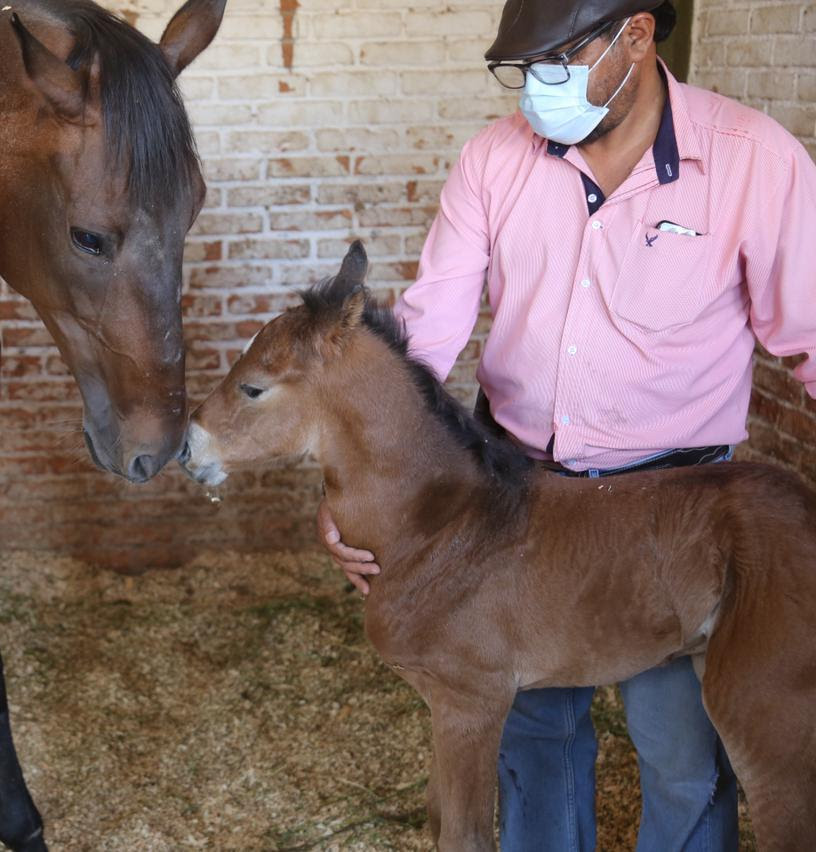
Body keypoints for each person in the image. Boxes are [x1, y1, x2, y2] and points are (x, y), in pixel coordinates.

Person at [317, 1, 816, 848]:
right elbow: (424, 335)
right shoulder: (494, 159)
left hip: (675, 506)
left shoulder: (752, 160)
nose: (539, 85)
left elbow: (808, 334)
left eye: (560, 57)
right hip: (519, 499)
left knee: (683, 753)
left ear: (637, 35)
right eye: (526, 64)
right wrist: (350, 490)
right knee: (534, 739)